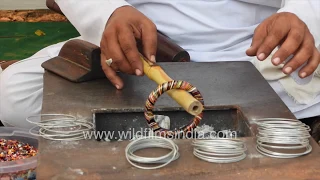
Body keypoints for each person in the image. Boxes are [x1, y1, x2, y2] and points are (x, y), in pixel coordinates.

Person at [0, 0, 319, 129]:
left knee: (273, 122)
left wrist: (301, 17)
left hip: (251, 46)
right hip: (136, 44)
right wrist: (108, 14)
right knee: (13, 97)